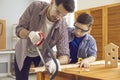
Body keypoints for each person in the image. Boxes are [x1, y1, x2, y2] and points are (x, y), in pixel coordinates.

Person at [15, 0, 75, 80]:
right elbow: (19, 29)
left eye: (63, 15)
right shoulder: (35, 7)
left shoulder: (62, 26)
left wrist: (57, 62)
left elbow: (65, 54)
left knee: (43, 78)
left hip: (42, 55)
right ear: (52, 2)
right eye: (57, 11)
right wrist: (29, 34)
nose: (58, 17)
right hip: (23, 51)